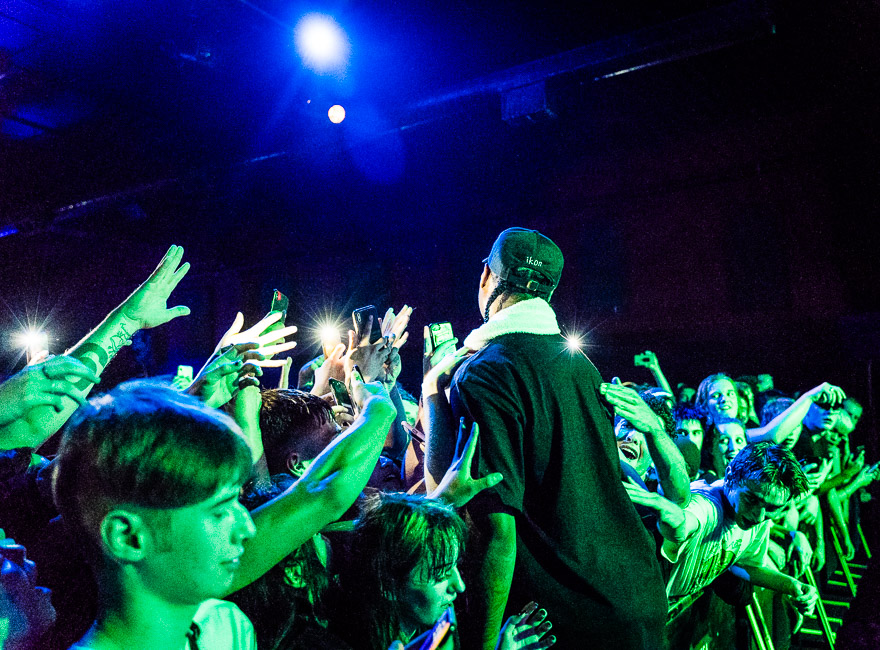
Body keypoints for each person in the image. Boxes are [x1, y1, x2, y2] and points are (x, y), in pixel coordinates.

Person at [445, 227, 667, 649]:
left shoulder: (488, 373)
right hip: (640, 599)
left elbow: (496, 527)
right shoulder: (582, 367)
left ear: (486, 279)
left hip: (567, 622)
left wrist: (482, 644)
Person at [625, 443, 818, 616]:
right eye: (751, 499)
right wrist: (667, 510)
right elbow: (686, 521)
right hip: (637, 602)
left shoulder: (757, 517)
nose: (759, 516)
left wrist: (791, 585)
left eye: (772, 508)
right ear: (730, 476)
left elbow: (748, 564)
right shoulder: (707, 505)